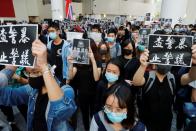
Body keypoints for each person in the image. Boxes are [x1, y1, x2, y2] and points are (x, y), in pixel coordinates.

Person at [0, 40, 77, 131]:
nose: (32, 77)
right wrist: (9, 70)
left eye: (36, 72)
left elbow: (61, 110)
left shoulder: (66, 90)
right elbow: (5, 96)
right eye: (29, 73)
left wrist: (43, 66)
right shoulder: (32, 90)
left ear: (50, 69)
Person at [132, 44, 196, 131]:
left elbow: (191, 77)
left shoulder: (173, 78)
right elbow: (136, 82)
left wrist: (194, 64)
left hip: (166, 123)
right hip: (146, 123)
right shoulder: (148, 76)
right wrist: (143, 65)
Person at [68, 39, 101, 130]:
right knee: (84, 115)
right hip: (82, 93)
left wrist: (93, 60)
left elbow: (96, 78)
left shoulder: (97, 60)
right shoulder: (78, 60)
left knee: (94, 114)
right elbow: (70, 77)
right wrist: (70, 64)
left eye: (89, 48)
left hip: (94, 93)